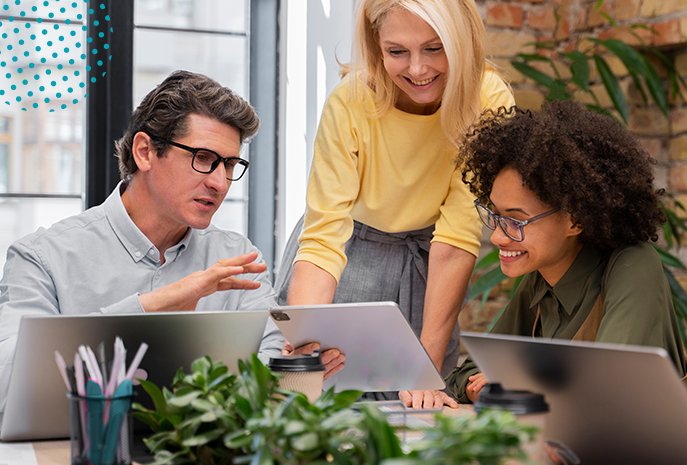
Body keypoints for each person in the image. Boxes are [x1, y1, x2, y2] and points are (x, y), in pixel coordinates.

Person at [0, 71, 340, 414]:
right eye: (203, 159)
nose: (220, 183)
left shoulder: (237, 258)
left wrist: (297, 376)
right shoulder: (41, 257)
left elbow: (265, 390)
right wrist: (152, 306)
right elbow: (6, 386)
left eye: (230, 164)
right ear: (145, 152)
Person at [277, 0, 514, 409]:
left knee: (420, 411)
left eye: (434, 47)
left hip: (428, 265)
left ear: (462, 41)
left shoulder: (489, 98)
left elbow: (457, 238)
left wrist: (424, 367)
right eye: (397, 51)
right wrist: (304, 340)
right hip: (346, 258)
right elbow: (322, 242)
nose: (417, 69)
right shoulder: (348, 102)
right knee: (310, 411)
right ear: (376, 46)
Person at [446, 100, 687, 404]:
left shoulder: (632, 263)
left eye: (516, 220)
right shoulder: (540, 279)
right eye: (495, 216)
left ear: (575, 218)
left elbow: (606, 383)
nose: (498, 236)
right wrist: (491, 387)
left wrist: (516, 379)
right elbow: (469, 374)